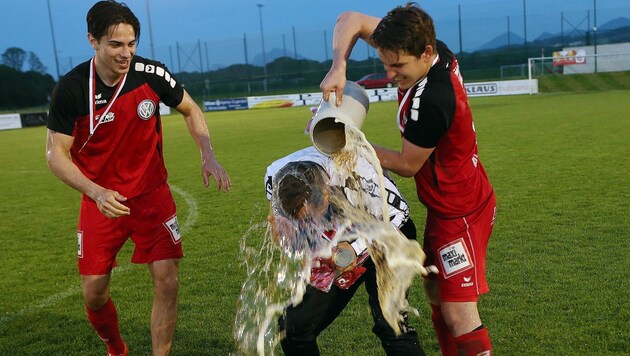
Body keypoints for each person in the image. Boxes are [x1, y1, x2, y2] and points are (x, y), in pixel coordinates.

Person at [45, 1, 231, 355]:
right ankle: (116, 347)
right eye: (115, 44)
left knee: (168, 280)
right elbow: (56, 154)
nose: (125, 53)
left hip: (152, 196)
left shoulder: (152, 74)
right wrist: (95, 191)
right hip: (101, 201)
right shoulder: (71, 89)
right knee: (94, 293)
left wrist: (208, 155)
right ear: (93, 41)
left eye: (131, 44)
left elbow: (190, 109)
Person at [320, 3, 497, 355]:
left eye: (397, 66)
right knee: (436, 295)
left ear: (425, 53)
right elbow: (350, 19)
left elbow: (406, 163)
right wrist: (339, 65)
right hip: (445, 206)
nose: (389, 73)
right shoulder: (428, 48)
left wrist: (349, 140)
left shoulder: (433, 98)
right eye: (385, 63)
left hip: (460, 212)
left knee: (459, 313)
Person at [265, 146, 427, 356]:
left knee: (391, 326)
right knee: (294, 326)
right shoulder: (274, 176)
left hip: (388, 236)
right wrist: (292, 241)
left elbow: (400, 213)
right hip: (337, 240)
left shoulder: (356, 171)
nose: (311, 222)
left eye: (314, 215)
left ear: (326, 190)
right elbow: (281, 223)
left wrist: (355, 248)